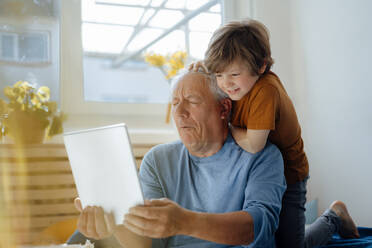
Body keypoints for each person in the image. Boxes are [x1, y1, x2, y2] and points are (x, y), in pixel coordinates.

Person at [189, 19, 360, 247]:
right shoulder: (239, 81)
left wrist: (226, 126)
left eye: (234, 75)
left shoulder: (265, 91)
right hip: (257, 175)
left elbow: (253, 144)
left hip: (289, 176)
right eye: (219, 75)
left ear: (260, 66)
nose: (225, 84)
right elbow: (223, 73)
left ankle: (333, 217)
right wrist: (203, 70)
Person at [69, 69, 287, 248]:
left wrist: (185, 222)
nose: (180, 112)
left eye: (192, 101)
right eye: (175, 103)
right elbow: (148, 245)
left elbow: (259, 227)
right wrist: (114, 225)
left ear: (223, 108)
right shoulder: (157, 160)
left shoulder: (262, 156)